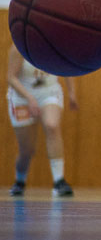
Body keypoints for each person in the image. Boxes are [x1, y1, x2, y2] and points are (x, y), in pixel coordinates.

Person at [7, 47, 76, 197]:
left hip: (49, 92)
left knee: (52, 125)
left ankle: (59, 181)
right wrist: (30, 98)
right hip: (22, 96)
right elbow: (11, 78)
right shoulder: (18, 47)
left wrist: (71, 93)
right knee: (27, 150)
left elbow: (67, 68)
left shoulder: (56, 43)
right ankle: (20, 181)